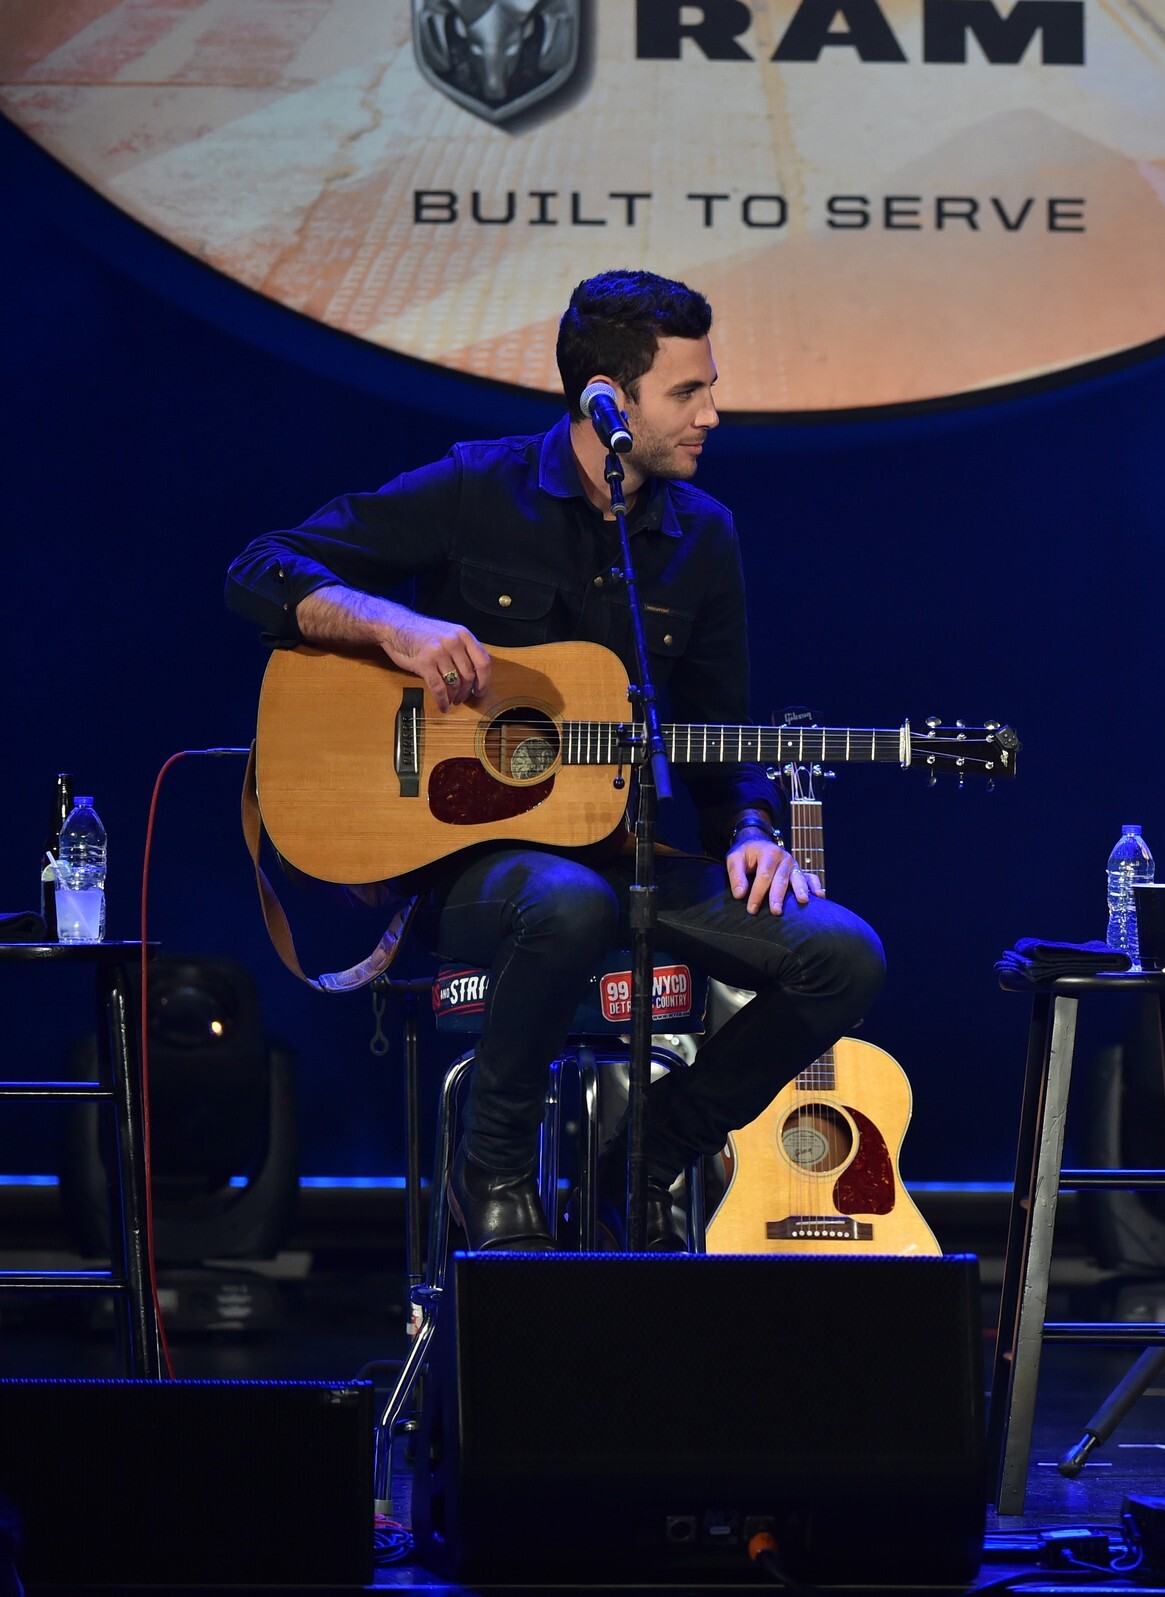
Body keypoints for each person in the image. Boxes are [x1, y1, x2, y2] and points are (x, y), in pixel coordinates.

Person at [226, 270, 886, 1251]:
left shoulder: (703, 536)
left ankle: (652, 1148)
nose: (713, 413)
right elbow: (259, 569)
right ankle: (492, 1162)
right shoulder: (476, 488)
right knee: (564, 901)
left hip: (631, 858)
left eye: (710, 387)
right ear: (607, 401)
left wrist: (751, 830)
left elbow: (720, 730)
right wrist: (395, 626)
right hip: (474, 872)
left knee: (844, 954)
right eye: (688, 392)